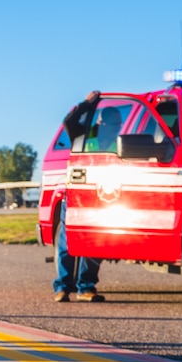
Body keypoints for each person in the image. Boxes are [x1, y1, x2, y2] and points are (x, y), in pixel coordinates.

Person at [54, 92, 110, 303]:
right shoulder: (85, 134)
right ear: (100, 120)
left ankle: (86, 287)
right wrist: (86, 105)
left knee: (93, 243)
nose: (112, 126)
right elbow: (69, 121)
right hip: (78, 194)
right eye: (108, 122)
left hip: (100, 196)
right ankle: (62, 287)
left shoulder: (117, 139)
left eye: (115, 123)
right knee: (67, 243)